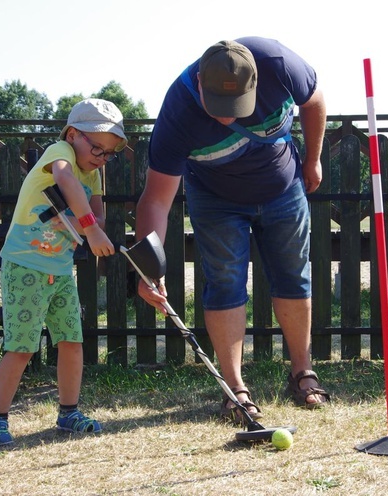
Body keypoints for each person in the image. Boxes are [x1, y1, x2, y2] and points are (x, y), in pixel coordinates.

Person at [135, 37, 330, 425]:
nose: (228, 118)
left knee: (294, 275)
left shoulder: (277, 62)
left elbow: (315, 100)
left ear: (256, 83)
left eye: (237, 107)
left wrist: (313, 158)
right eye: (218, 108)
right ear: (200, 87)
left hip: (283, 186)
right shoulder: (178, 112)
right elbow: (155, 200)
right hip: (216, 199)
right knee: (225, 282)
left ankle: (303, 372)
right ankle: (235, 389)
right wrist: (147, 270)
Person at [0, 98, 126, 446]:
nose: (101, 157)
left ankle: (68, 413)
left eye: (109, 153)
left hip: (60, 270)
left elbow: (98, 216)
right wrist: (88, 229)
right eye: (97, 148)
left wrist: (85, 224)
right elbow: (63, 177)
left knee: (72, 341)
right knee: (21, 346)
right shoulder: (59, 152)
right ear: (73, 134)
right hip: (25, 265)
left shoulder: (92, 173)